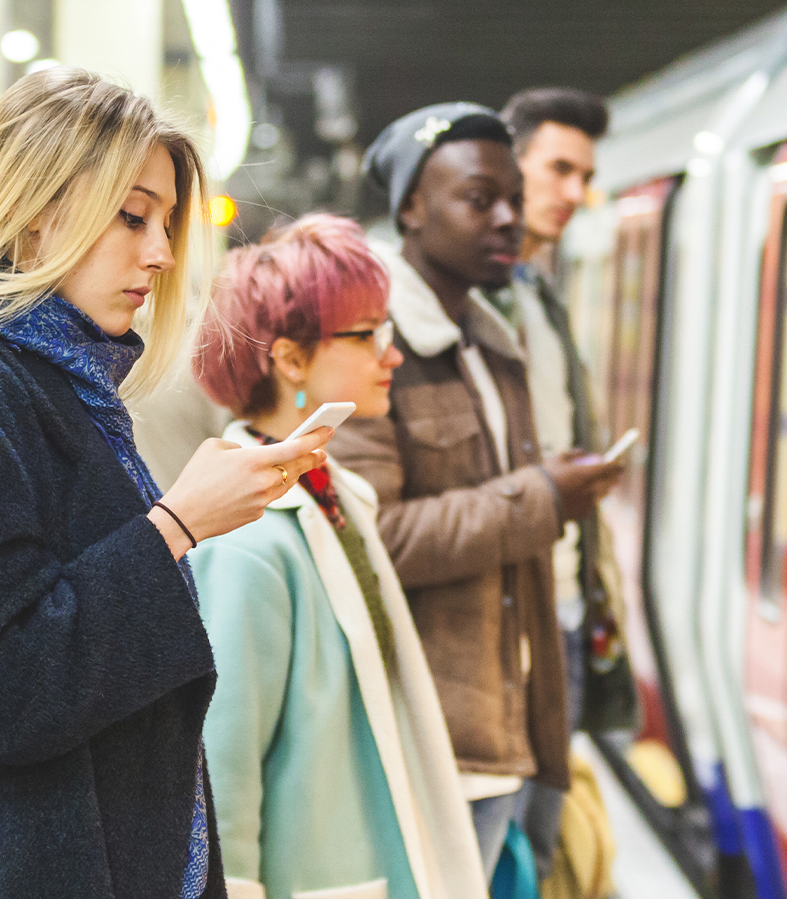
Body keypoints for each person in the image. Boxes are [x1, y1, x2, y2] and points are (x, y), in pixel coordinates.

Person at [0, 67, 330, 899]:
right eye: (131, 215)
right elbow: (4, 687)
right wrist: (176, 524)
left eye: (167, 221)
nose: (163, 252)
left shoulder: (58, 386)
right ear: (34, 217)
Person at [327, 102, 623, 876]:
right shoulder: (370, 343)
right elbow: (371, 538)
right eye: (478, 198)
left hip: (510, 727)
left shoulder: (493, 344)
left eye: (513, 200)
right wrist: (545, 499)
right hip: (434, 746)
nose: (507, 219)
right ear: (412, 209)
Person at [188, 214, 489, 899]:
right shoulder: (246, 541)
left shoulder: (329, 492)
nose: (393, 354)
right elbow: (221, 775)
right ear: (290, 359)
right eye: (368, 333)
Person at [494, 87, 627, 881]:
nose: (575, 193)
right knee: (509, 845)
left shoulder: (541, 295)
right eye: (559, 168)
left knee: (536, 838)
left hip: (566, 600)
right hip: (513, 612)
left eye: (585, 175)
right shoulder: (468, 300)